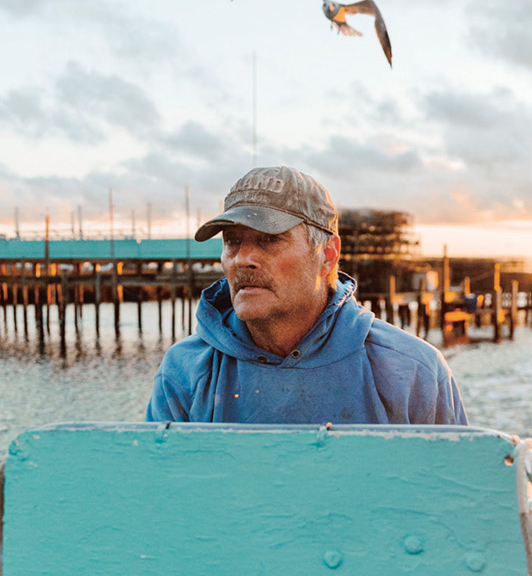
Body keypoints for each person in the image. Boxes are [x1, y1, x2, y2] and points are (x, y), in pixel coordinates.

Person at [147, 165, 467, 425]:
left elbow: (453, 496)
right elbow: (158, 496)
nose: (243, 258)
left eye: (269, 239)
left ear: (327, 255)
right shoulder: (185, 372)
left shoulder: (412, 373)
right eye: (232, 241)